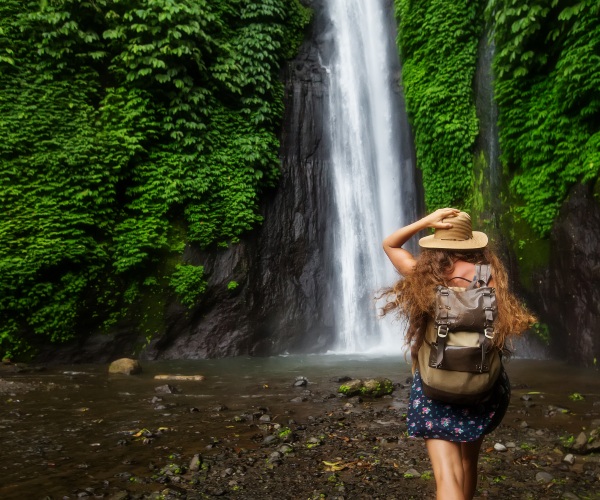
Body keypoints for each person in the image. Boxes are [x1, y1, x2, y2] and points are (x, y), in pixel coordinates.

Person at [381, 208, 535, 500]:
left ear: (436, 243)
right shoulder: (490, 278)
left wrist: (427, 221)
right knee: (467, 463)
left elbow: (390, 244)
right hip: (482, 387)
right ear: (473, 244)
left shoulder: (424, 278)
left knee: (447, 475)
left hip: (435, 387)